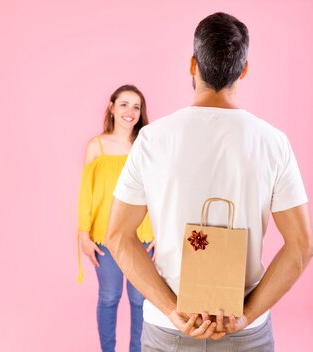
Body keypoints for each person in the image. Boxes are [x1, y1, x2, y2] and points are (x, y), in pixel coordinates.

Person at [104, 12, 313, 351]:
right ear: (243, 70)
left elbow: (118, 237)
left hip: (168, 330)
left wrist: (173, 312)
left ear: (192, 65)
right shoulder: (272, 142)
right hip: (244, 334)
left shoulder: (153, 139)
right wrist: (246, 315)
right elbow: (301, 247)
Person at [76, 84, 154, 352]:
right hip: (104, 237)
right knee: (109, 297)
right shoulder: (96, 146)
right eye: (124, 104)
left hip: (140, 236)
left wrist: (159, 232)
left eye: (136, 106)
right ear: (111, 107)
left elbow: (157, 192)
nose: (130, 112)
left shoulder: (146, 145)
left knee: (139, 299)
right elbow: (86, 194)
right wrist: (83, 235)